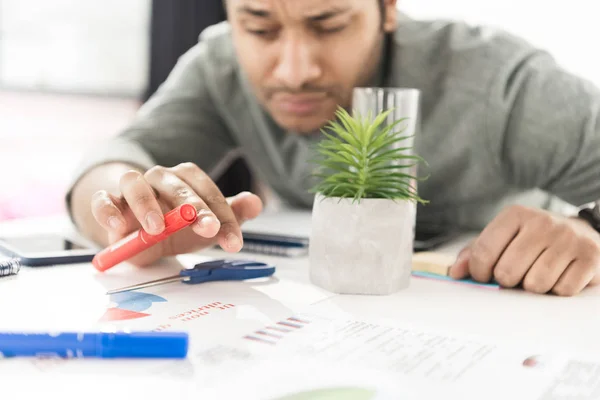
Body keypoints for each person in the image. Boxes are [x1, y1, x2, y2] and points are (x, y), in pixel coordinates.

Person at [67, 0, 600, 296]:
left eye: (328, 24)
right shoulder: (220, 65)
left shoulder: (500, 82)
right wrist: (123, 206)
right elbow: (119, 156)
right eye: (259, 25)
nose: (294, 70)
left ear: (387, 8)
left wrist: (587, 230)